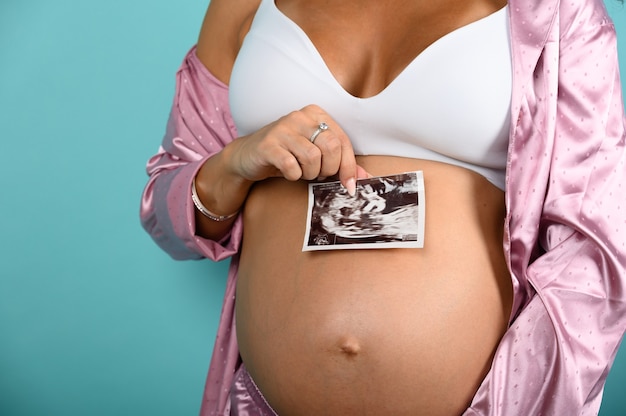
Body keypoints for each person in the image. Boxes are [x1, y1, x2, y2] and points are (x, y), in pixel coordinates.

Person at [140, 0, 626, 414]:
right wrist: (234, 164)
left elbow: (594, 253)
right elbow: (164, 213)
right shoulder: (245, 8)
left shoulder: (556, 15)